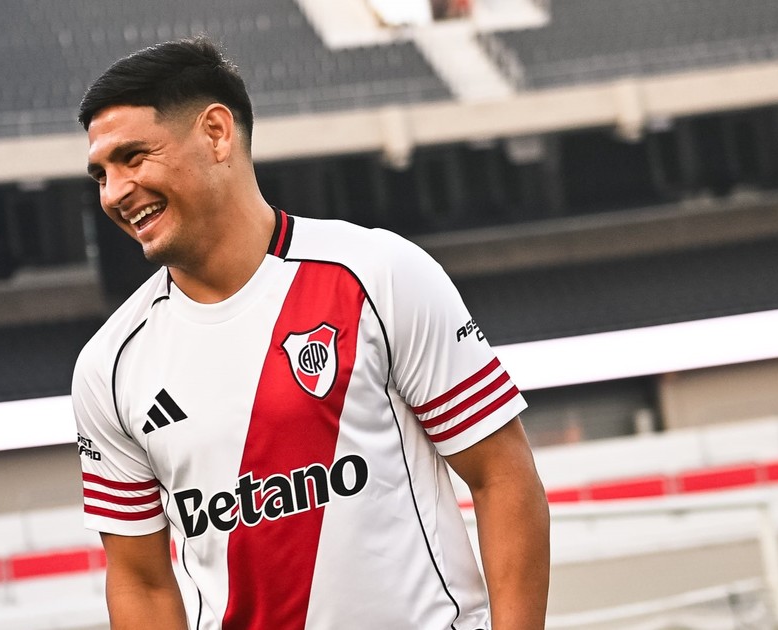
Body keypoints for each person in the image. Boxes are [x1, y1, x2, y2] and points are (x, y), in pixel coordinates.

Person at [72, 36, 549, 630]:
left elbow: (502, 475)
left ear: (216, 133)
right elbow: (140, 581)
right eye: (101, 174)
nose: (114, 193)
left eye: (134, 157)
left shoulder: (379, 273)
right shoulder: (109, 365)